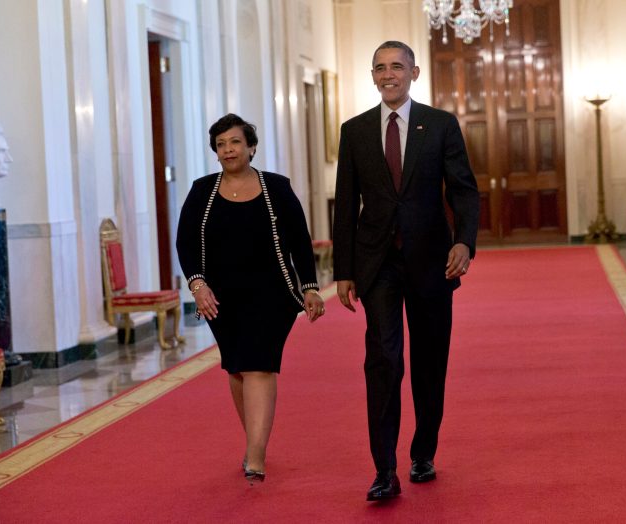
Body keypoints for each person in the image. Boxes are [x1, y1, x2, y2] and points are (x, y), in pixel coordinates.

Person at [333, 41, 480, 501]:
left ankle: (423, 452)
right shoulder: (354, 131)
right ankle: (384, 470)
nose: (388, 74)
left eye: (397, 66)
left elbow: (463, 190)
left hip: (432, 260)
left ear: (414, 73)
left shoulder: (439, 124)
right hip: (377, 264)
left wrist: (464, 242)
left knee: (429, 360)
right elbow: (345, 206)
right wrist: (343, 269)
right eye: (379, 68)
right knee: (383, 361)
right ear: (372, 76)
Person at [176, 113, 325, 484]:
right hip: (221, 298)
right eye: (221, 144)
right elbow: (186, 243)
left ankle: (255, 455)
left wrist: (309, 285)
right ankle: (254, 441)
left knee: (260, 365)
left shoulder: (277, 187)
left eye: (235, 142)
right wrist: (198, 285)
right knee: (238, 368)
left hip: (272, 292)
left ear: (251, 147)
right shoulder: (201, 190)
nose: (228, 149)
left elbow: (299, 240)